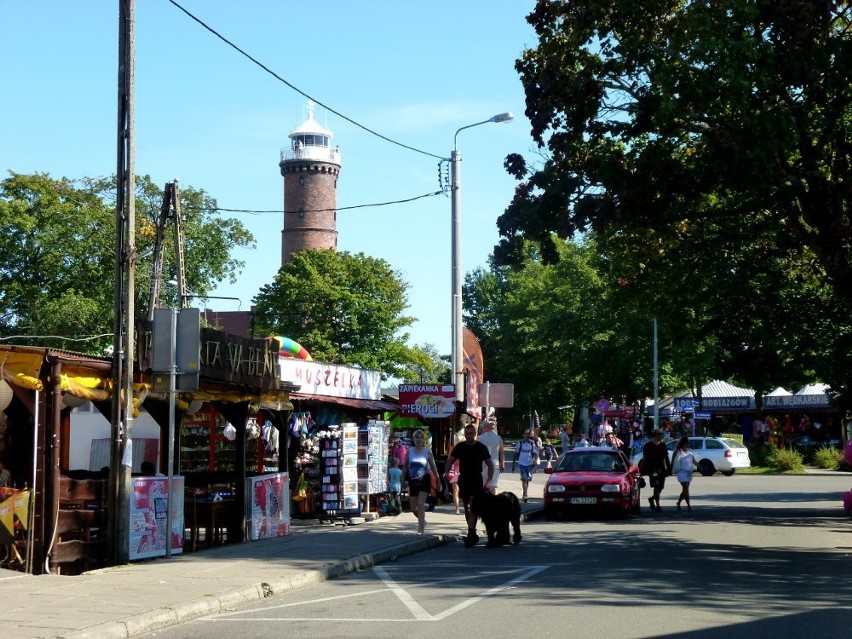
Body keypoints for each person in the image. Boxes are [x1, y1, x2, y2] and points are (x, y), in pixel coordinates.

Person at [444, 424, 494, 547]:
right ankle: (472, 530)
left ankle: (471, 533)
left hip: (476, 479)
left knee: (473, 506)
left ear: (475, 434)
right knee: (466, 507)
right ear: (464, 434)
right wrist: (446, 472)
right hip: (464, 479)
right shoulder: (460, 447)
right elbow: (450, 460)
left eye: (471, 433)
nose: (469, 436)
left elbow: (490, 465)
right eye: (467, 433)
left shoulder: (481, 447)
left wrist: (489, 481)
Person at [405, 429, 439, 535]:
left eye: (421, 437)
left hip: (424, 478)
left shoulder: (427, 451)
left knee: (420, 503)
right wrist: (402, 479)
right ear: (413, 439)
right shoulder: (409, 451)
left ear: (423, 439)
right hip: (413, 480)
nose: (419, 439)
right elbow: (405, 466)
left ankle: (420, 528)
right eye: (417, 437)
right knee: (413, 508)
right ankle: (423, 519)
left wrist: (438, 480)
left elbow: (433, 467)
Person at [642, 430, 672, 512]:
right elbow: (645, 458)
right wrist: (642, 469)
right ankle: (658, 505)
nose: (661, 436)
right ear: (655, 435)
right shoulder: (648, 445)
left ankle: (652, 499)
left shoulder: (663, 445)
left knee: (660, 487)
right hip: (652, 469)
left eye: (662, 435)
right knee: (656, 484)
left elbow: (666, 457)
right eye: (659, 434)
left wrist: (669, 468)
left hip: (661, 469)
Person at [671, 436, 698, 511]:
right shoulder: (678, 451)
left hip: (689, 473)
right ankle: (689, 506)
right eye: (688, 442)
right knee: (686, 488)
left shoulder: (690, 452)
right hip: (681, 472)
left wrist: (700, 467)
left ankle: (679, 502)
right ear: (684, 443)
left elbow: (694, 461)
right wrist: (670, 470)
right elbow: (673, 461)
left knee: (685, 490)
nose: (689, 444)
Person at [477, 420, 504, 494]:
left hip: (483, 464)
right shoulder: (498, 438)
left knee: (483, 484)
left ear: (484, 428)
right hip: (494, 464)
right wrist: (502, 464)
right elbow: (501, 453)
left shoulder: (479, 438)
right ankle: (492, 502)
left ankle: (484, 501)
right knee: (492, 485)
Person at [511, 429, 538, 503]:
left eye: (528, 434)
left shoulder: (532, 443)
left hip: (530, 463)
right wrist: (513, 465)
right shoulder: (519, 443)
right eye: (526, 433)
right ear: (523, 434)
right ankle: (526, 495)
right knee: (524, 479)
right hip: (522, 463)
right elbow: (516, 454)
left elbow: (535, 453)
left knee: (527, 479)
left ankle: (524, 494)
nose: (527, 435)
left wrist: (535, 461)